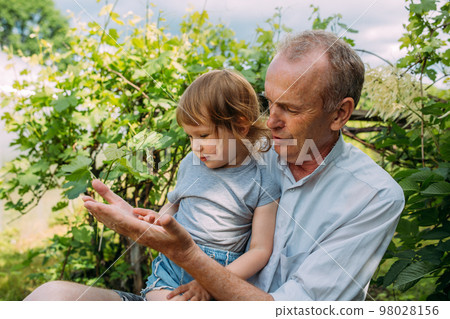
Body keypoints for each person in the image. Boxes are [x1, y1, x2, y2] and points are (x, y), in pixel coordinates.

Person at [24, 30, 404, 301]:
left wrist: (193, 262)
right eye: (270, 102)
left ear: (340, 114)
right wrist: (148, 223)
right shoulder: (242, 149)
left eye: (291, 108)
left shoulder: (372, 197)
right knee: (50, 298)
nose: (270, 121)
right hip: (179, 293)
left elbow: (293, 309)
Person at [134, 69, 280, 301]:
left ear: (241, 126)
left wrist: (212, 282)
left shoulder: (262, 176)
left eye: (203, 136)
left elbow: (260, 250)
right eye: (190, 137)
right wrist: (158, 220)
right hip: (172, 266)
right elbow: (174, 205)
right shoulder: (190, 164)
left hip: (220, 271)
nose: (195, 147)